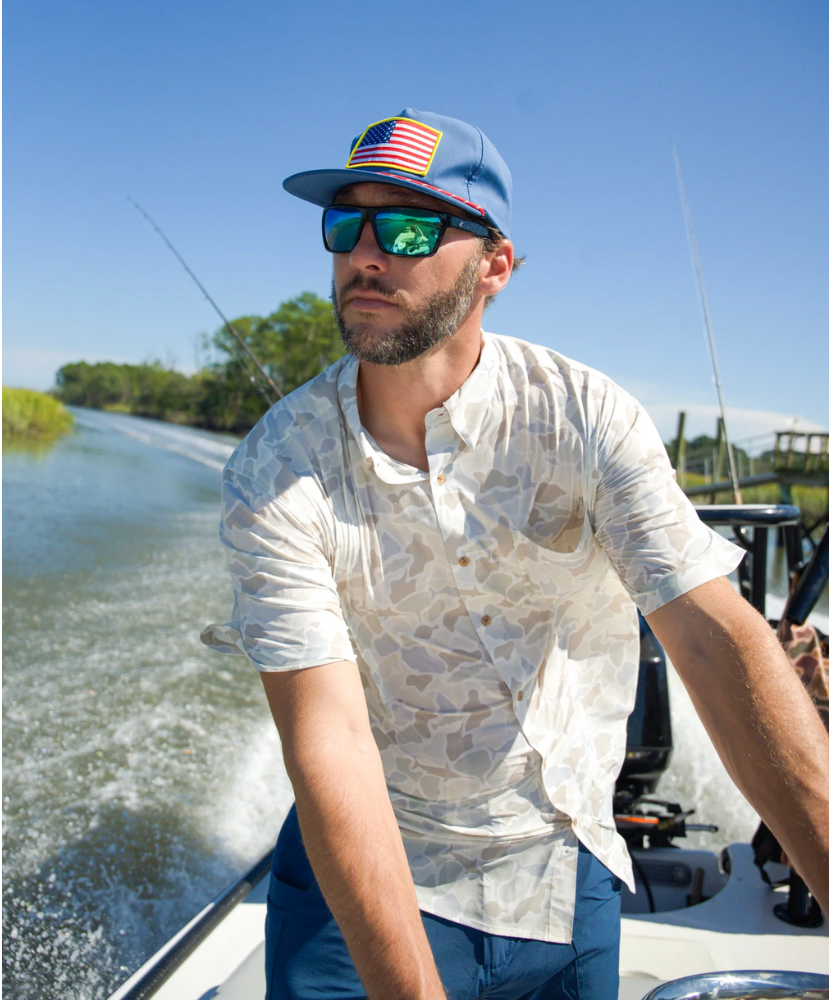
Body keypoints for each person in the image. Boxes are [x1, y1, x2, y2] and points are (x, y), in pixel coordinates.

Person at [201, 108, 829, 1000]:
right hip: (364, 880)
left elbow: (709, 641)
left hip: (560, 872)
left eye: (411, 227)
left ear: (493, 264)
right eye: (346, 225)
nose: (365, 255)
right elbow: (329, 744)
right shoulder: (273, 468)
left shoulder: (583, 416)